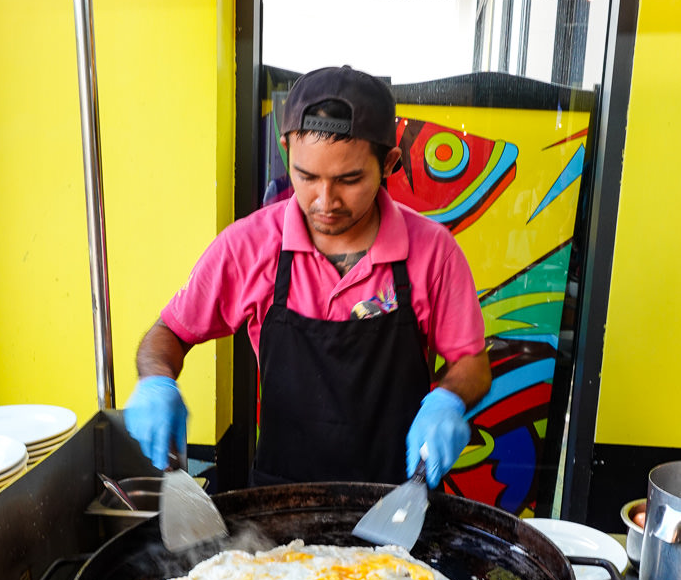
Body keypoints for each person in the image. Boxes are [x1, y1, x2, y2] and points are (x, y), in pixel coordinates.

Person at [124, 65, 491, 489]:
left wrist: (449, 399)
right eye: (307, 176)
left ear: (388, 163)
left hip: (398, 498)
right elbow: (169, 331)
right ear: (286, 151)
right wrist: (155, 380)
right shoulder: (249, 246)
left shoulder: (433, 252)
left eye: (349, 179)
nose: (325, 200)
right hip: (281, 502)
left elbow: (472, 364)